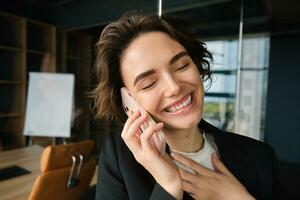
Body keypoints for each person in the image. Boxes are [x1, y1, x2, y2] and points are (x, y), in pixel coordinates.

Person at [92, 13, 284, 200]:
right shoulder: (119, 159)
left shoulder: (261, 157)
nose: (174, 87)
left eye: (182, 66)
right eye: (149, 83)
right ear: (128, 100)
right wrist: (169, 185)